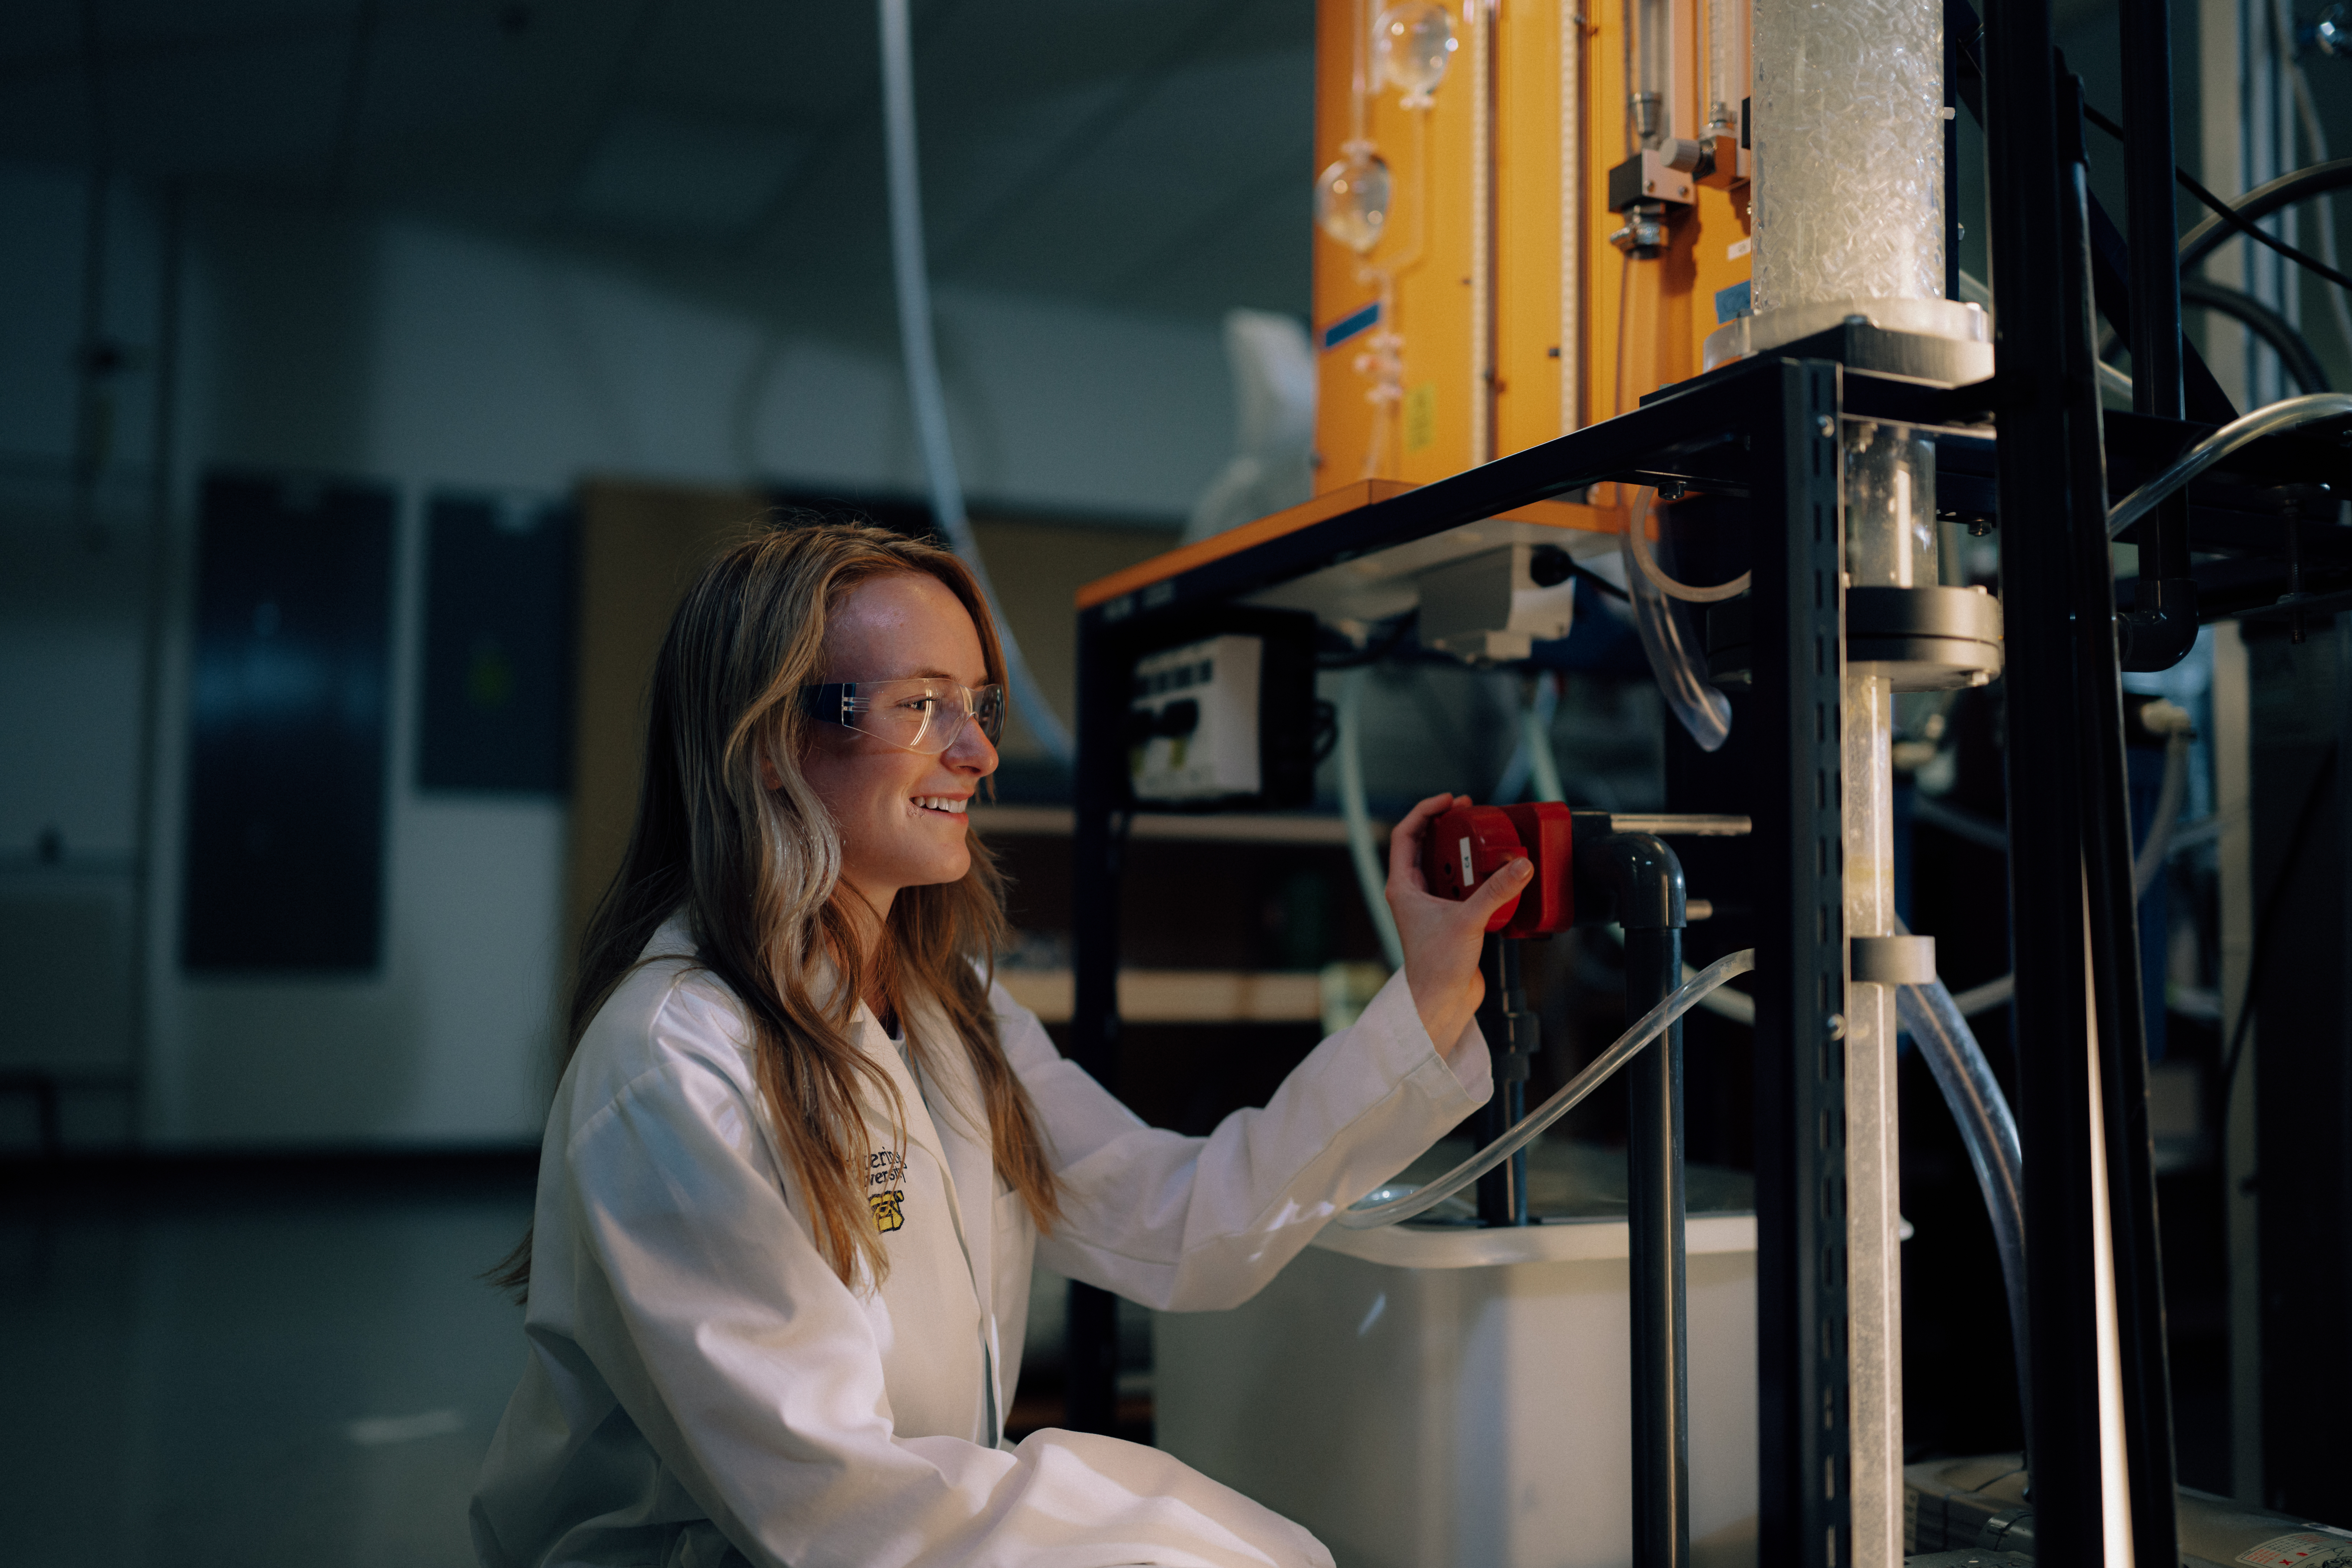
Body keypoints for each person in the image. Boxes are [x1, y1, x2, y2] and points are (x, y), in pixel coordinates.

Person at [470, 519, 1534, 1568]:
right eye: (921, 705)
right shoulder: (677, 1063)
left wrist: (1435, 987)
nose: (978, 752)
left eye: (977, 705)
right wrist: (1182, 1545)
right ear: (770, 741)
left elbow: (1176, 1224)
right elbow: (836, 1503)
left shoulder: (952, 1013)